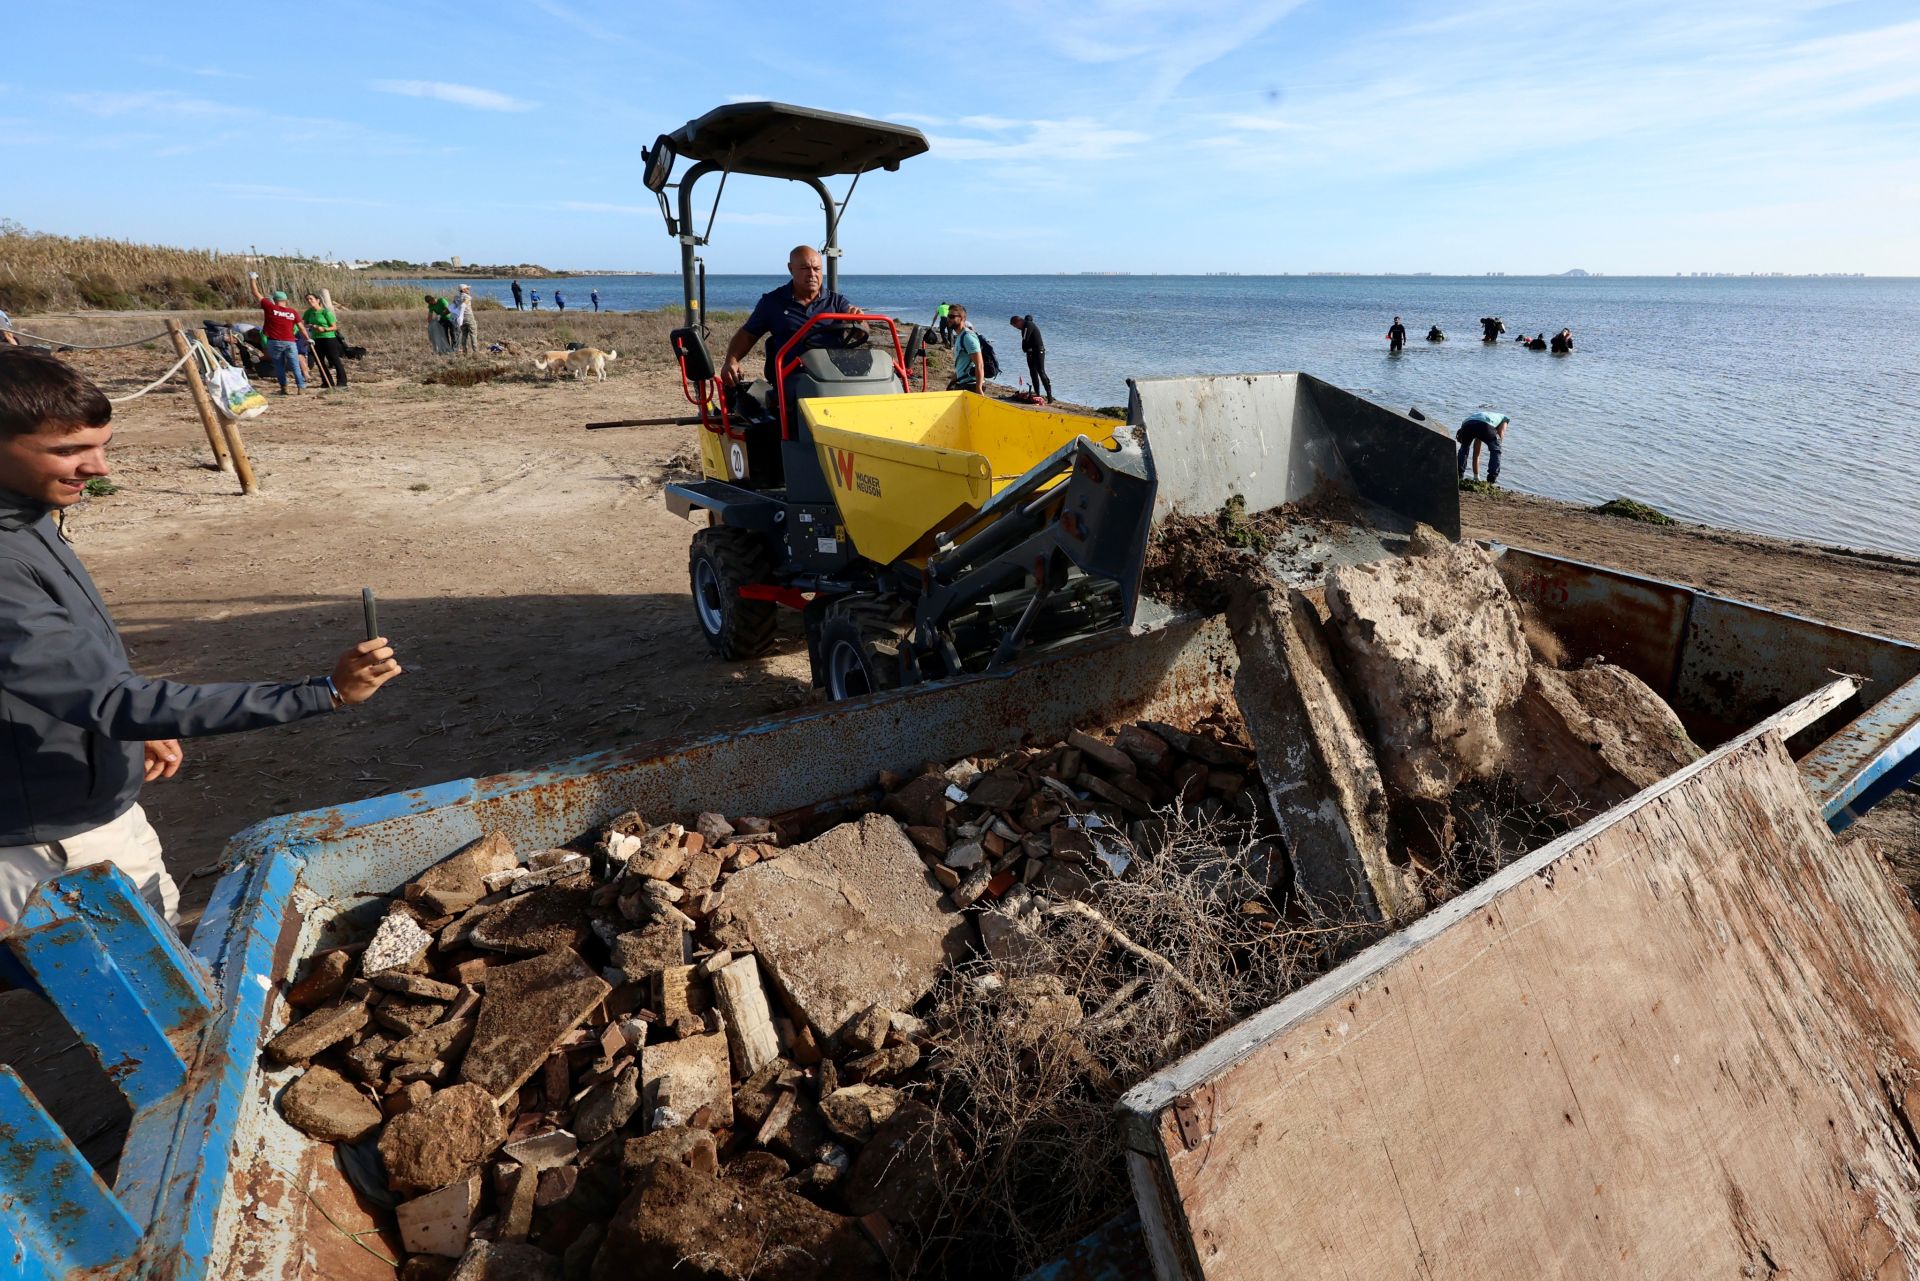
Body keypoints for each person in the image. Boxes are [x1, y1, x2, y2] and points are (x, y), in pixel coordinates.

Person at [0, 348, 403, 929]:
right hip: (50, 844)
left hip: (90, 807)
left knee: (170, 964)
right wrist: (321, 693)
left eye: (102, 445)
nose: (99, 467)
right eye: (68, 451)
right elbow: (111, 699)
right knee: (150, 1006)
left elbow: (72, 677)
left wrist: (125, 732)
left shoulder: (27, 515)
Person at [719, 246, 861, 388]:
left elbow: (861, 332)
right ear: (790, 269)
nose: (812, 274)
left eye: (817, 269)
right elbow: (748, 335)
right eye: (805, 268)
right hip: (793, 381)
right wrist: (731, 361)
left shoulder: (836, 302)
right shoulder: (773, 302)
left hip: (834, 378)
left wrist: (858, 320)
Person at [247, 274, 307, 394]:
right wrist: (308, 339)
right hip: (290, 342)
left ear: (274, 300)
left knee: (279, 366)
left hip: (275, 342)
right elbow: (301, 327)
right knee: (295, 365)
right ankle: (301, 387)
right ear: (286, 300)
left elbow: (255, 292)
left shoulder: (270, 307)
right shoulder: (292, 312)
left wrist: (253, 278)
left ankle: (284, 388)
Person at [301, 294, 349, 388]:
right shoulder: (308, 312)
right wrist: (311, 326)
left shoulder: (325, 312)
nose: (309, 301)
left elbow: (334, 327)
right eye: (307, 299)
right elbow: (305, 324)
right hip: (316, 339)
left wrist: (324, 329)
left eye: (311, 299)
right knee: (319, 361)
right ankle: (327, 382)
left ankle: (342, 382)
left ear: (318, 300)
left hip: (328, 338)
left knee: (334, 360)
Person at [1456, 411, 1509, 485]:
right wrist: (1496, 445)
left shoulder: (1480, 416)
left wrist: (1476, 477)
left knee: (1464, 449)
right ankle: (1491, 479)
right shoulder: (1505, 419)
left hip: (1467, 425)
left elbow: (1476, 453)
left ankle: (1459, 475)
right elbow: (1501, 434)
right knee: (1496, 451)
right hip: (1485, 426)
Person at [1010, 314, 1052, 402]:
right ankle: (1037, 395)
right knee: (1033, 373)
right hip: (1030, 352)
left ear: (1018, 322)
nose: (1016, 328)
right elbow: (1025, 341)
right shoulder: (1024, 327)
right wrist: (1026, 350)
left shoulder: (1028, 325)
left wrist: (1024, 348)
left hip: (1038, 351)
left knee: (1041, 371)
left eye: (1015, 326)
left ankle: (1049, 396)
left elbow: (1025, 339)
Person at [948, 304, 984, 393]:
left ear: (962, 318)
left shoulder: (968, 337)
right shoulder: (960, 336)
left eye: (952, 316)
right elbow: (961, 364)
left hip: (971, 385)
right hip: (963, 383)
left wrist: (979, 388)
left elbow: (979, 364)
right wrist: (951, 383)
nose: (948, 319)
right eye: (948, 316)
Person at [454, 285, 479, 354]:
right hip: (468, 317)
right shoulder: (467, 297)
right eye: (467, 288)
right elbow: (463, 305)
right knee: (473, 334)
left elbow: (452, 307)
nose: (469, 289)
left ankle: (465, 351)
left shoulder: (456, 297)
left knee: (464, 335)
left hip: (461, 319)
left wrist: (456, 317)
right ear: (464, 290)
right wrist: (461, 316)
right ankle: (475, 351)